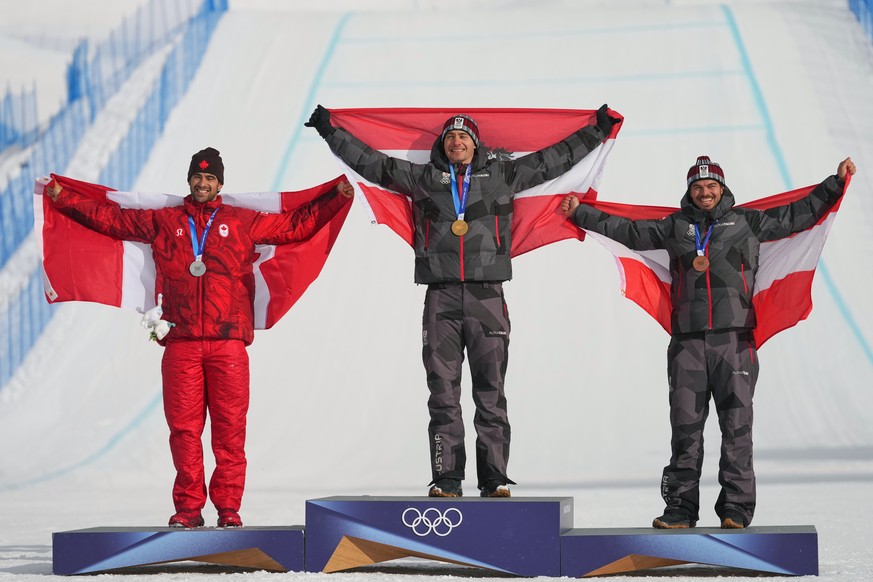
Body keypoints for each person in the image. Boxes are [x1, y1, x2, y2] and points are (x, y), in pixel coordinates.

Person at [307, 104, 619, 498]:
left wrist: (596, 131)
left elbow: (552, 160)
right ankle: (447, 479)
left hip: (487, 295)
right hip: (440, 297)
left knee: (491, 392)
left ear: (476, 145)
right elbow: (374, 164)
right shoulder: (424, 179)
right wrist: (329, 131)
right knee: (443, 393)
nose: (456, 142)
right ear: (443, 144)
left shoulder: (503, 175)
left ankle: (494, 480)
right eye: (450, 137)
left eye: (464, 137)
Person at [45, 147, 354, 528]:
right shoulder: (165, 220)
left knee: (229, 431)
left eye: (210, 178)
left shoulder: (242, 221)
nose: (202, 183)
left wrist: (335, 199)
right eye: (197, 176)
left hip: (228, 343)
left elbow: (294, 226)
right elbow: (111, 219)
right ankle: (189, 509)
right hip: (182, 342)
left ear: (220, 184)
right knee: (184, 431)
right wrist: (65, 198)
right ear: (189, 180)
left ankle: (228, 510)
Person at [561, 155, 855, 528]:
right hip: (687, 344)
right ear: (690, 191)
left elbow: (798, 214)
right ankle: (680, 510)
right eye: (698, 187)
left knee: (737, 429)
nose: (704, 192)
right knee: (685, 431)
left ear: (722, 188)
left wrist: (834, 183)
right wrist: (581, 214)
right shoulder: (675, 226)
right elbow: (630, 231)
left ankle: (735, 509)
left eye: (711, 186)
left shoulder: (747, 223)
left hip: (735, 342)